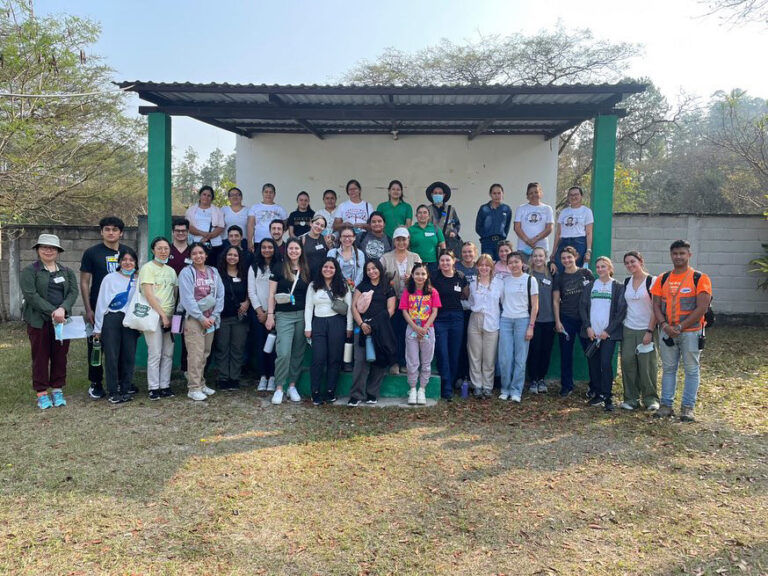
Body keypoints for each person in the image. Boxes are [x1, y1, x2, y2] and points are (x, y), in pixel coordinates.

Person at [651, 240, 712, 422]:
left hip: (691, 332)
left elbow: (702, 307)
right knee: (669, 369)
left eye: (682, 253)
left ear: (689, 255)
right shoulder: (663, 278)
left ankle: (687, 408)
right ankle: (666, 406)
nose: (678, 257)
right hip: (667, 331)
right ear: (671, 255)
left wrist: (679, 327)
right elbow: (655, 305)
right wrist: (665, 325)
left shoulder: (699, 278)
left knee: (691, 370)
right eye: (675, 253)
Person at [21, 234, 78, 410]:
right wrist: (52, 311)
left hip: (62, 321)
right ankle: (42, 393)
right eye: (44, 247)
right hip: (39, 322)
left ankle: (57, 389)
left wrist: (63, 309)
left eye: (52, 248)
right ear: (38, 250)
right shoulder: (30, 271)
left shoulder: (66, 271)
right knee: (40, 356)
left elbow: (73, 293)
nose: (48, 250)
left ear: (58, 251)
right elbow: (31, 295)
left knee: (60, 356)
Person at [80, 216, 130, 399]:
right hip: (98, 307)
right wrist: (88, 308)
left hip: (122, 310)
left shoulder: (128, 252)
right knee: (96, 346)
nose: (111, 233)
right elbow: (85, 282)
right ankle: (96, 383)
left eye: (115, 229)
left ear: (121, 233)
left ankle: (119, 381)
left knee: (120, 347)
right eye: (107, 229)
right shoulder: (91, 253)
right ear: (101, 232)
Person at [265, 238, 311, 404]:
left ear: (301, 250)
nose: (294, 251)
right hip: (283, 315)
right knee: (283, 352)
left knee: (298, 352)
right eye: (291, 248)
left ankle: (292, 385)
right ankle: (279, 387)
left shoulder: (306, 268)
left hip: (302, 315)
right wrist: (270, 315)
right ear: (286, 250)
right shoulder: (278, 267)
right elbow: (271, 294)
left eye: (296, 248)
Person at [93, 247, 140, 404]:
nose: (128, 263)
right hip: (112, 319)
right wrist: (97, 328)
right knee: (112, 356)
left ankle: (125, 389)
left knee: (129, 356)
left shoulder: (138, 279)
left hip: (131, 321)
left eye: (131, 260)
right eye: (125, 260)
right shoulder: (110, 278)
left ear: (136, 263)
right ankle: (113, 391)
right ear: (119, 262)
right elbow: (101, 304)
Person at [579, 256, 626, 412]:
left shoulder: (618, 287)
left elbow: (620, 312)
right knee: (593, 364)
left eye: (603, 266)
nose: (600, 269)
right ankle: (597, 393)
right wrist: (588, 327)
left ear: (609, 268)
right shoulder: (591, 286)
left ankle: (607, 396)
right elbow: (583, 307)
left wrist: (608, 331)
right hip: (592, 333)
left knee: (605, 364)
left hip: (608, 335)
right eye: (598, 267)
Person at [179, 242, 224, 401]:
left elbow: (220, 296)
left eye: (201, 253)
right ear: (190, 257)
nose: (198, 256)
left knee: (205, 353)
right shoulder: (186, 273)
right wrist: (201, 317)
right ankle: (193, 387)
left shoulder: (214, 272)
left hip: (211, 320)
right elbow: (187, 299)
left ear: (206, 255)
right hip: (194, 319)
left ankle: (201, 383)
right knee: (195, 354)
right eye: (194, 253)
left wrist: (213, 317)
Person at [305, 258, 353, 405]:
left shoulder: (342, 285)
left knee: (334, 358)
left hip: (337, 322)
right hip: (318, 323)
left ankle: (331, 391)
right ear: (321, 268)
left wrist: (349, 327)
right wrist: (308, 327)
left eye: (331, 267)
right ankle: (315, 392)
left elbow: (349, 307)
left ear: (336, 269)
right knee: (318, 358)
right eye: (325, 266)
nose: (328, 269)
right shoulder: (313, 285)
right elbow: (308, 307)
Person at [348, 260, 397, 406]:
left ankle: (372, 393)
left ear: (380, 269)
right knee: (360, 361)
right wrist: (362, 323)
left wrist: (374, 324)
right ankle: (356, 394)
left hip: (381, 329)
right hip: (362, 328)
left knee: (379, 361)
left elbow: (391, 309)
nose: (371, 272)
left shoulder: (387, 287)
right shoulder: (362, 286)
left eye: (374, 268)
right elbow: (354, 307)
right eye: (368, 269)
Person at [139, 237, 178, 400]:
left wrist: (172, 316)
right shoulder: (147, 268)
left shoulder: (171, 271)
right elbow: (148, 294)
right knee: (155, 352)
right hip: (155, 315)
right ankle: (153, 387)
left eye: (166, 248)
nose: (163, 251)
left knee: (168, 353)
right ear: (153, 250)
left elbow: (175, 294)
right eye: (159, 248)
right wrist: (162, 315)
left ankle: (165, 385)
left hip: (171, 315)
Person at [619, 251, 659, 412]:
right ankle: (631, 399)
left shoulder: (652, 280)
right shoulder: (627, 281)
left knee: (647, 365)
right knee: (628, 363)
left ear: (641, 261)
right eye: (627, 263)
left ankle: (650, 399)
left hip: (646, 328)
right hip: (628, 328)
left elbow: (656, 309)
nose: (630, 265)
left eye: (632, 261)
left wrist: (650, 330)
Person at [552, 246, 595, 398]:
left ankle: (594, 387)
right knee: (566, 354)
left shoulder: (586, 273)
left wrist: (592, 320)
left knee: (590, 353)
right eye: (563, 258)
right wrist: (558, 321)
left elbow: (594, 296)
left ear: (576, 257)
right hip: (566, 320)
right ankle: (566, 386)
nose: (566, 260)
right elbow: (556, 301)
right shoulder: (559, 277)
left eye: (569, 257)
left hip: (585, 321)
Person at [380, 227, 422, 375]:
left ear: (408, 240)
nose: (401, 242)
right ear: (394, 241)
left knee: (407, 333)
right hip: (392, 301)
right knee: (392, 332)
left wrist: (412, 279)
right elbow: (379, 279)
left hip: (411, 303)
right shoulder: (386, 257)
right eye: (398, 239)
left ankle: (405, 362)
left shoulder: (415, 257)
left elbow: (422, 277)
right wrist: (388, 282)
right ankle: (393, 362)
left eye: (404, 239)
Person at [498, 251, 539, 402]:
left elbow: (535, 306)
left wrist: (531, 326)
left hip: (523, 321)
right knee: (505, 358)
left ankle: (516, 391)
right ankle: (505, 389)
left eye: (517, 261)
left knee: (520, 358)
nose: (514, 265)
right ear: (507, 265)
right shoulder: (504, 281)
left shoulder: (530, 280)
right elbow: (502, 301)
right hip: (506, 321)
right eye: (511, 262)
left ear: (522, 263)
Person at [431, 249, 470, 400]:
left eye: (448, 260)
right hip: (439, 318)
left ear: (454, 261)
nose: (445, 263)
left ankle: (451, 383)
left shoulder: (460, 276)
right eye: (442, 260)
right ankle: (446, 389)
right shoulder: (434, 277)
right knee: (442, 353)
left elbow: (466, 295)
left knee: (454, 353)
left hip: (457, 318)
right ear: (439, 263)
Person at [400, 262, 440, 405]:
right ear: (412, 275)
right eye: (417, 273)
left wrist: (425, 328)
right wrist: (415, 327)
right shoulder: (407, 291)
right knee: (412, 361)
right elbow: (404, 310)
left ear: (427, 275)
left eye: (423, 273)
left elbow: (435, 311)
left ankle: (422, 389)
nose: (420, 276)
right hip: (412, 329)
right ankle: (412, 388)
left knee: (426, 361)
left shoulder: (432, 292)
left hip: (428, 329)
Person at [214, 245, 250, 390]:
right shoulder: (217, 274)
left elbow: (250, 290)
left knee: (237, 348)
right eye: (230, 255)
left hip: (239, 317)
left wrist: (247, 302)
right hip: (222, 316)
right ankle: (223, 378)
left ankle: (234, 378)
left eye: (235, 255)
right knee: (222, 348)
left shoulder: (244, 274)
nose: (232, 258)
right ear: (225, 256)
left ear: (239, 258)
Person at [467, 254, 502, 398]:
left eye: (487, 265)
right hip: (475, 319)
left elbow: (504, 301)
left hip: (492, 321)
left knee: (489, 357)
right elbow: (470, 301)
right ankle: (477, 385)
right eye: (481, 265)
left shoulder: (499, 283)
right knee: (475, 355)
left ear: (491, 267)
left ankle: (488, 386)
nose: (484, 268)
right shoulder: (473, 282)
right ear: (477, 267)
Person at [247, 238, 279, 392]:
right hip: (258, 314)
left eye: (270, 247)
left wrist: (269, 312)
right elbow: (252, 291)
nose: (267, 250)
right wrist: (260, 311)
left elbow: (279, 291)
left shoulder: (279, 266)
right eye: (264, 247)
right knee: (260, 345)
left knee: (273, 346)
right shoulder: (253, 267)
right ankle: (262, 377)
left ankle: (272, 376)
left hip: (274, 312)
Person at [526, 247, 556, 395]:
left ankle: (542, 379)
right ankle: (533, 379)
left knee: (546, 350)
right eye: (535, 256)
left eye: (541, 256)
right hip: (533, 320)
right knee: (534, 351)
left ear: (545, 257)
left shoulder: (552, 273)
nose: (538, 259)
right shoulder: (527, 274)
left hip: (549, 319)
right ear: (531, 258)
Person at [551, 186, 593, 273]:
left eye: (576, 194)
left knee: (576, 270)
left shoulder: (587, 211)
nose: (573, 197)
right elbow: (558, 233)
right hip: (564, 242)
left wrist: (588, 251)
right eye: (571, 195)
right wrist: (554, 251)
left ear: (581, 196)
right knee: (560, 267)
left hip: (579, 242)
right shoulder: (564, 212)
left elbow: (589, 232)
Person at [454, 242, 478, 391]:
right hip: (460, 310)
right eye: (464, 252)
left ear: (475, 252)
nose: (467, 254)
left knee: (473, 346)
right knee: (461, 344)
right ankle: (460, 376)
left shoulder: (479, 267)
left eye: (470, 252)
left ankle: (471, 377)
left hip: (475, 311)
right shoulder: (456, 267)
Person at [185, 185, 225, 265]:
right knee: (197, 266)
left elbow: (221, 227)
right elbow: (188, 226)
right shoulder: (191, 210)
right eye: (204, 194)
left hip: (214, 244)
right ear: (200, 196)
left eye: (209, 195)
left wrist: (208, 237)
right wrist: (203, 234)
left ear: (212, 198)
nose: (206, 197)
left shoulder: (217, 211)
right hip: (196, 242)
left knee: (213, 267)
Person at [513, 182, 554, 260]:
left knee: (539, 271)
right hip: (523, 248)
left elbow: (549, 228)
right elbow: (517, 228)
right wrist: (527, 241)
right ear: (527, 196)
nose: (534, 195)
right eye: (531, 193)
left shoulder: (547, 209)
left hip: (541, 248)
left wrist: (535, 239)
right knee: (524, 271)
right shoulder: (521, 208)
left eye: (536, 192)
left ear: (541, 193)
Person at [476, 183, 513, 260]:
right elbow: (478, 227)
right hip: (487, 242)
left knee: (501, 263)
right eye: (494, 193)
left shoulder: (506, 209)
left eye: (499, 193)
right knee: (488, 264)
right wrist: (485, 236)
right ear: (490, 194)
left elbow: (507, 226)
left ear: (503, 194)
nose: (497, 196)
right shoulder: (484, 208)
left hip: (501, 242)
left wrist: (502, 237)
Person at [247, 183, 287, 250]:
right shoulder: (255, 207)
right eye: (266, 192)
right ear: (262, 193)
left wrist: (278, 236)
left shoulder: (280, 209)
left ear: (274, 194)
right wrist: (249, 242)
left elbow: (285, 225)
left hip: (275, 242)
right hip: (259, 241)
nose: (268, 194)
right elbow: (250, 225)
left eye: (271, 192)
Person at [426, 181, 461, 255]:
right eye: (435, 193)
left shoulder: (451, 209)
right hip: (432, 244)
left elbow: (457, 224)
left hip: (448, 243)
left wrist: (454, 232)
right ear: (432, 195)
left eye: (440, 193)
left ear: (444, 195)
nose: (437, 195)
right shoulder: (427, 210)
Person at [408, 204, 446, 273]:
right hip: (416, 263)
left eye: (425, 212)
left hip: (433, 264)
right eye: (420, 213)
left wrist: (442, 262)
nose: (422, 215)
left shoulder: (435, 228)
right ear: (416, 215)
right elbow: (407, 247)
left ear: (428, 216)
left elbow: (443, 246)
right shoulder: (410, 230)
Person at [328, 225, 365, 291]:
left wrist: (352, 287)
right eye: (344, 236)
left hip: (353, 289)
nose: (347, 239)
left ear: (354, 238)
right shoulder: (332, 253)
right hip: (335, 288)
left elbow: (360, 274)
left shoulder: (360, 254)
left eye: (350, 236)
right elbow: (329, 272)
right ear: (340, 238)